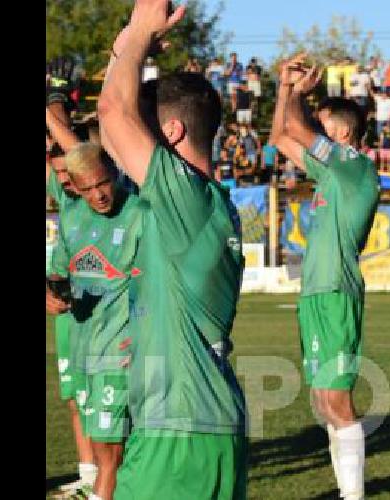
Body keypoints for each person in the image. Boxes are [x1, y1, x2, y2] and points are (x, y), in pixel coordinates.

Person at [97, 2, 248, 497]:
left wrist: (141, 26)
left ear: (174, 133)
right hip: (198, 429)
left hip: (179, 436)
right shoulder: (201, 205)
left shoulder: (185, 194)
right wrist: (127, 50)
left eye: (150, 130)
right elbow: (114, 133)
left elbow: (113, 115)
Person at [268, 54, 381, 500]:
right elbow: (280, 135)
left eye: (323, 121)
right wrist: (283, 89)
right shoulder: (332, 174)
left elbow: (295, 129)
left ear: (343, 132)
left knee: (337, 399)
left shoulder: (355, 166)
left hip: (335, 289)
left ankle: (353, 496)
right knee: (322, 399)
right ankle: (344, 491)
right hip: (316, 291)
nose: (315, 126)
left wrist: (297, 93)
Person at [48, 143, 145, 500]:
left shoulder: (139, 213)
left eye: (103, 183)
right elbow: (59, 273)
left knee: (111, 454)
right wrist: (53, 294)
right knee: (109, 451)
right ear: (72, 186)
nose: (99, 195)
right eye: (86, 189)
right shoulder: (72, 217)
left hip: (120, 350)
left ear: (115, 173)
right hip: (84, 347)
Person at [45, 98, 98, 498]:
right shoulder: (66, 203)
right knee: (76, 396)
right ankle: (88, 473)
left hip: (108, 320)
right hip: (70, 318)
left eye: (69, 170)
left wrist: (56, 99)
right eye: (58, 171)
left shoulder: (106, 202)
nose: (63, 178)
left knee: (108, 398)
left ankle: (111, 474)